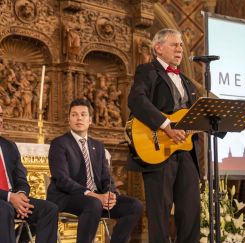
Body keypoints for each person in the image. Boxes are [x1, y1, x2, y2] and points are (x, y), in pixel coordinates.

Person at [127, 28, 200, 243]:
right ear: (158, 48)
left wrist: (230, 122)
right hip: (156, 149)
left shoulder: (187, 81)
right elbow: (137, 100)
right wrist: (166, 125)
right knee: (159, 211)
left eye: (181, 45)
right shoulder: (147, 71)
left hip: (185, 150)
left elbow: (197, 114)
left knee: (190, 209)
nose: (180, 49)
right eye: (174, 45)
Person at [47, 98, 142, 243]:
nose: (79, 118)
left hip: (96, 199)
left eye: (83, 114)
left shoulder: (97, 146)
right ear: (69, 119)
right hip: (66, 197)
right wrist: (94, 195)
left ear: (90, 120)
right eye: (74, 115)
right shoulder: (59, 144)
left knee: (134, 206)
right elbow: (62, 180)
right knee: (93, 203)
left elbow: (106, 177)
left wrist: (110, 194)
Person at [0, 104, 58, 243]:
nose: (0, 120)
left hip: (13, 200)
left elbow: (21, 179)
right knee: (5, 208)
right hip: (4, 202)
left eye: (1, 115)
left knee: (49, 209)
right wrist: (9, 197)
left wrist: (20, 196)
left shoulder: (9, 146)